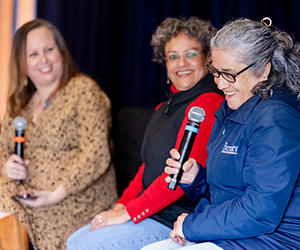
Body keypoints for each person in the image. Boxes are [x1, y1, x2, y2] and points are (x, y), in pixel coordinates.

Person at [141, 17, 300, 250]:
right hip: (233, 235)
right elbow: (228, 194)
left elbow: (260, 210)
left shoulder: (277, 117)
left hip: (272, 240)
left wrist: (192, 225)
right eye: (215, 72)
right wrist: (196, 181)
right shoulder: (229, 109)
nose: (220, 84)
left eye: (230, 74)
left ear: (263, 69)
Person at [67, 17, 224, 250]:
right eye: (173, 56)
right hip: (151, 214)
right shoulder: (164, 108)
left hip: (176, 220)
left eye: (191, 54)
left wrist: (130, 212)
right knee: (75, 239)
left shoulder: (207, 103)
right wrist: (120, 206)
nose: (182, 63)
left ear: (207, 58)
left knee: (88, 245)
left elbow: (177, 178)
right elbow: (146, 169)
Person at [0, 19, 118, 250]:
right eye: (33, 54)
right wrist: (6, 165)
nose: (43, 59)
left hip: (73, 202)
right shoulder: (19, 104)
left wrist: (54, 194)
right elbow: (2, 148)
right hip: (25, 196)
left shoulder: (83, 91)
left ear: (61, 52)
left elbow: (97, 154)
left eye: (49, 50)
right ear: (21, 63)